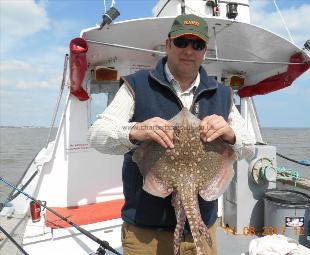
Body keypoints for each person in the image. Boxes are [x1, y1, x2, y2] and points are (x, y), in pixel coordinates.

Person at [88, 14, 255, 255]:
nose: (189, 50)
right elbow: (97, 134)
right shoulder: (137, 85)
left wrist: (231, 135)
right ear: (168, 45)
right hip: (146, 234)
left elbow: (249, 148)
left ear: (204, 51)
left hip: (203, 227)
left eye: (197, 44)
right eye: (181, 42)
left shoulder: (223, 94)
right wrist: (137, 130)